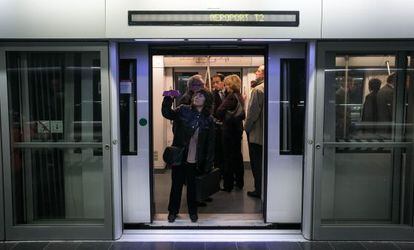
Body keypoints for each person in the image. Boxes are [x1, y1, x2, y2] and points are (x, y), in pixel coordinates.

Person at [162, 89, 215, 223]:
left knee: (193, 188)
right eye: (196, 95)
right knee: (176, 186)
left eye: (201, 95)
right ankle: (173, 212)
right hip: (180, 156)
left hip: (195, 159)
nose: (197, 97)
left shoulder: (208, 119)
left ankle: (193, 212)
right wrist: (168, 98)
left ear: (206, 100)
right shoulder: (183, 110)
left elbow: (210, 144)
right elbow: (167, 113)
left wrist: (208, 163)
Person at [216, 74, 245, 192]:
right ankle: (239, 182)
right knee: (238, 156)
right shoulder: (240, 96)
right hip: (237, 129)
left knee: (228, 157)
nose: (225, 87)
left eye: (227, 84)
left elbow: (219, 111)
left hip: (229, 130)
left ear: (231, 85)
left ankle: (228, 185)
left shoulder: (231, 96)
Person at [245, 65, 264, 199]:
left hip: (257, 134)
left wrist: (246, 128)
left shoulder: (257, 90)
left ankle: (258, 189)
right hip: (268, 134)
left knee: (256, 163)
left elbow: (252, 113)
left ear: (264, 74)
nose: (256, 73)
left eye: (258, 71)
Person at [211, 74, 226, 172]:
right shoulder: (212, 95)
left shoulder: (229, 93)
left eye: (217, 82)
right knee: (217, 152)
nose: (215, 85)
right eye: (214, 83)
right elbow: (210, 112)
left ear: (223, 82)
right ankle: (218, 174)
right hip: (217, 128)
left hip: (228, 127)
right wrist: (216, 121)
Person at [377, 73, 395, 139]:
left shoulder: (382, 90)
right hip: (388, 127)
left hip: (382, 126)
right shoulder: (390, 92)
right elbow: (393, 111)